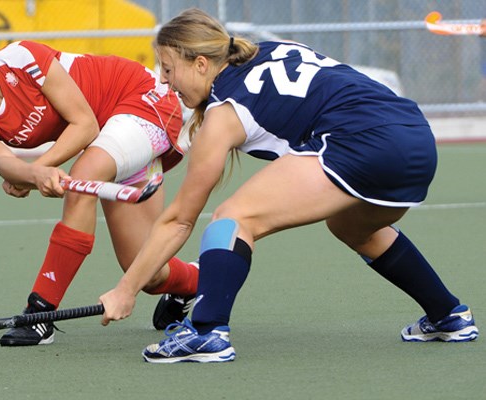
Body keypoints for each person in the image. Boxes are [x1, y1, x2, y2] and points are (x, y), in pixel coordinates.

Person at [99, 8, 479, 363]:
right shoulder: (269, 50)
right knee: (353, 225)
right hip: (415, 138)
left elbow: (180, 220)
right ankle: (448, 314)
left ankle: (206, 330)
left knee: (233, 217)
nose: (164, 80)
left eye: (168, 69)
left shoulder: (223, 114)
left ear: (200, 64)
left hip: (361, 141)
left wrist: (126, 289)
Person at [0, 19, 199, 346]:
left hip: (143, 100)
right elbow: (4, 163)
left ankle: (41, 312)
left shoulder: (22, 58)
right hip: (110, 142)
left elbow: (84, 125)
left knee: (82, 176)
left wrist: (38, 169)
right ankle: (200, 283)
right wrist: (26, 174)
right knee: (145, 270)